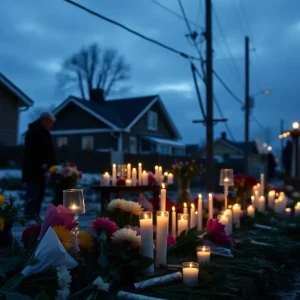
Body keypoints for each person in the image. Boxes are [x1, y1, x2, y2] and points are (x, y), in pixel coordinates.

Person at [22, 112, 56, 221]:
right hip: (33, 170)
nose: (51, 125)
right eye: (50, 123)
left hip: (42, 171)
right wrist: (43, 165)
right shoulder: (34, 132)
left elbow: (49, 151)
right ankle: (29, 215)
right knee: (33, 193)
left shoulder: (45, 133)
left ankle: (35, 214)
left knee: (40, 193)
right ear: (44, 121)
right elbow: (35, 151)